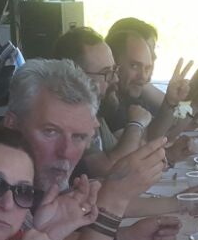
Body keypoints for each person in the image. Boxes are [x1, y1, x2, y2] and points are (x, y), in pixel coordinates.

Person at [2, 60, 180, 240]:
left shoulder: (41, 179)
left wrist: (124, 239)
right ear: (12, 126)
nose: (65, 151)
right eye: (50, 132)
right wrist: (113, 201)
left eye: (78, 137)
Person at [53, 26, 145, 176]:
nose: (115, 79)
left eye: (114, 70)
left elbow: (131, 156)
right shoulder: (71, 118)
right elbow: (107, 170)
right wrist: (136, 124)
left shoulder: (99, 111)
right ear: (75, 78)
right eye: (106, 73)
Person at [103, 24, 195, 147]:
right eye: (134, 66)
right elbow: (140, 149)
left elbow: (155, 136)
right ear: (114, 63)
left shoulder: (131, 97)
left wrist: (171, 102)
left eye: (147, 68)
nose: (143, 76)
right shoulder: (107, 102)